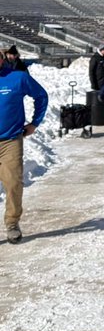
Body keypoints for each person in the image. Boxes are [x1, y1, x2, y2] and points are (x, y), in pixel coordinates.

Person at [0, 53, 48, 243]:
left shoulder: (18, 78)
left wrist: (35, 123)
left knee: (13, 182)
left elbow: (41, 96)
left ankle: (12, 222)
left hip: (10, 140)